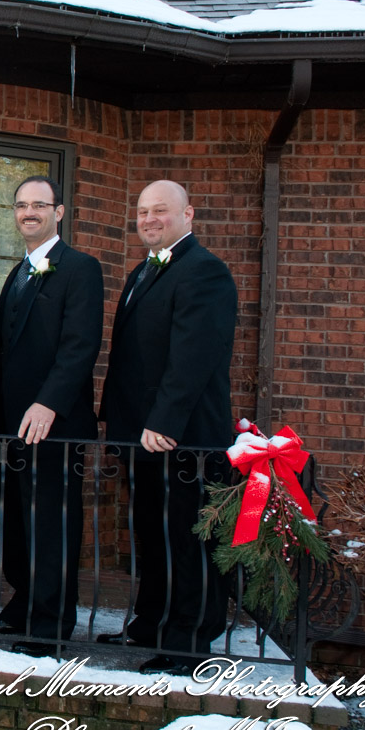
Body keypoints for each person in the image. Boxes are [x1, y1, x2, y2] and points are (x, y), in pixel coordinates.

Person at [100, 179, 238, 675]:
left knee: (187, 538)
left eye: (161, 210)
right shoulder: (145, 270)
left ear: (188, 215)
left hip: (184, 439)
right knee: (152, 534)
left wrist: (163, 422)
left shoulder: (205, 272)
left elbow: (194, 357)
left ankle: (190, 641)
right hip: (143, 437)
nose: (150, 219)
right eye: (142, 211)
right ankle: (152, 622)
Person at [0, 175, 103, 656]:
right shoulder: (16, 272)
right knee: (14, 521)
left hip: (55, 427)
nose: (29, 212)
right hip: (7, 427)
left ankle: (50, 624)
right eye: (21, 206)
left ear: (60, 212)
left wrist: (49, 402)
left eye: (39, 205)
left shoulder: (80, 268)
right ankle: (23, 607)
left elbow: (80, 345)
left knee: (51, 523)